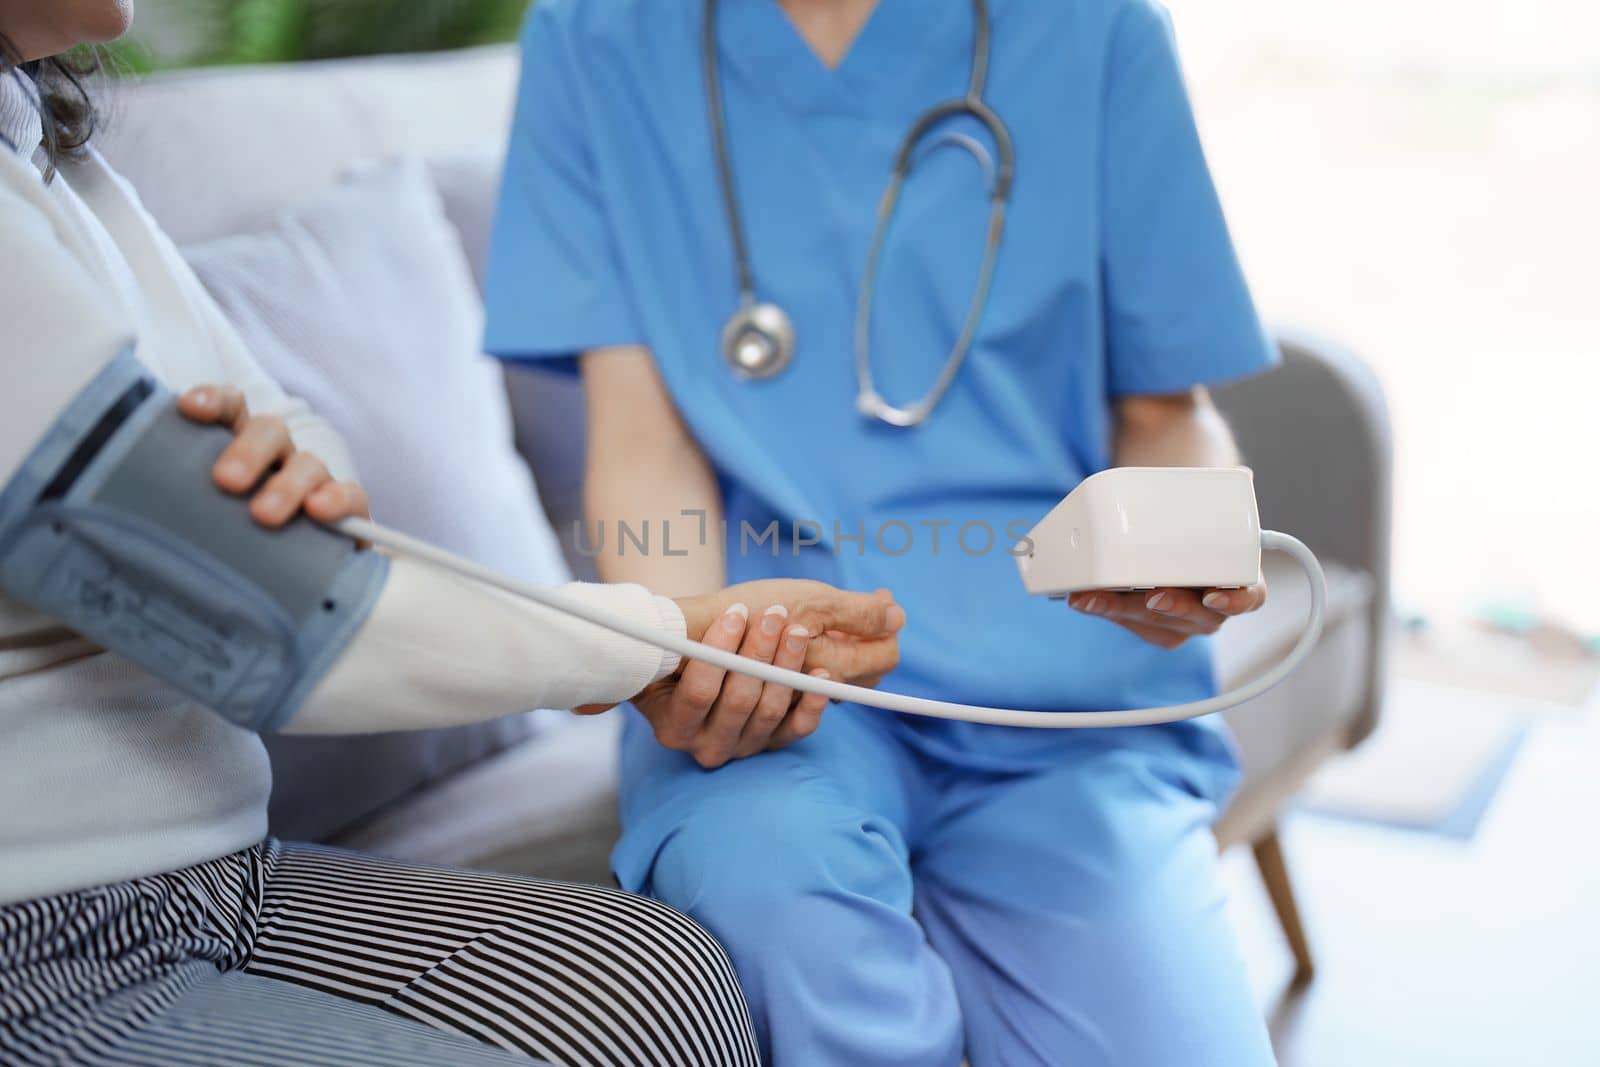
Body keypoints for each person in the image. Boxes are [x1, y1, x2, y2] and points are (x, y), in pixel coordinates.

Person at [0, 5, 903, 1066]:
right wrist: (667, 637)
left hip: (223, 868)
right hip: (38, 929)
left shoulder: (56, 160)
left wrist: (271, 484)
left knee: (661, 980)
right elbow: (274, 618)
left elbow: (301, 449)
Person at [483, 1, 1284, 1064]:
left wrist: (1180, 538)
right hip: (777, 681)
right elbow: (642, 431)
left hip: (1066, 699)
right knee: (779, 896)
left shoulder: (1095, 30)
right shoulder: (597, 37)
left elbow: (1163, 410)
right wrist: (674, 652)